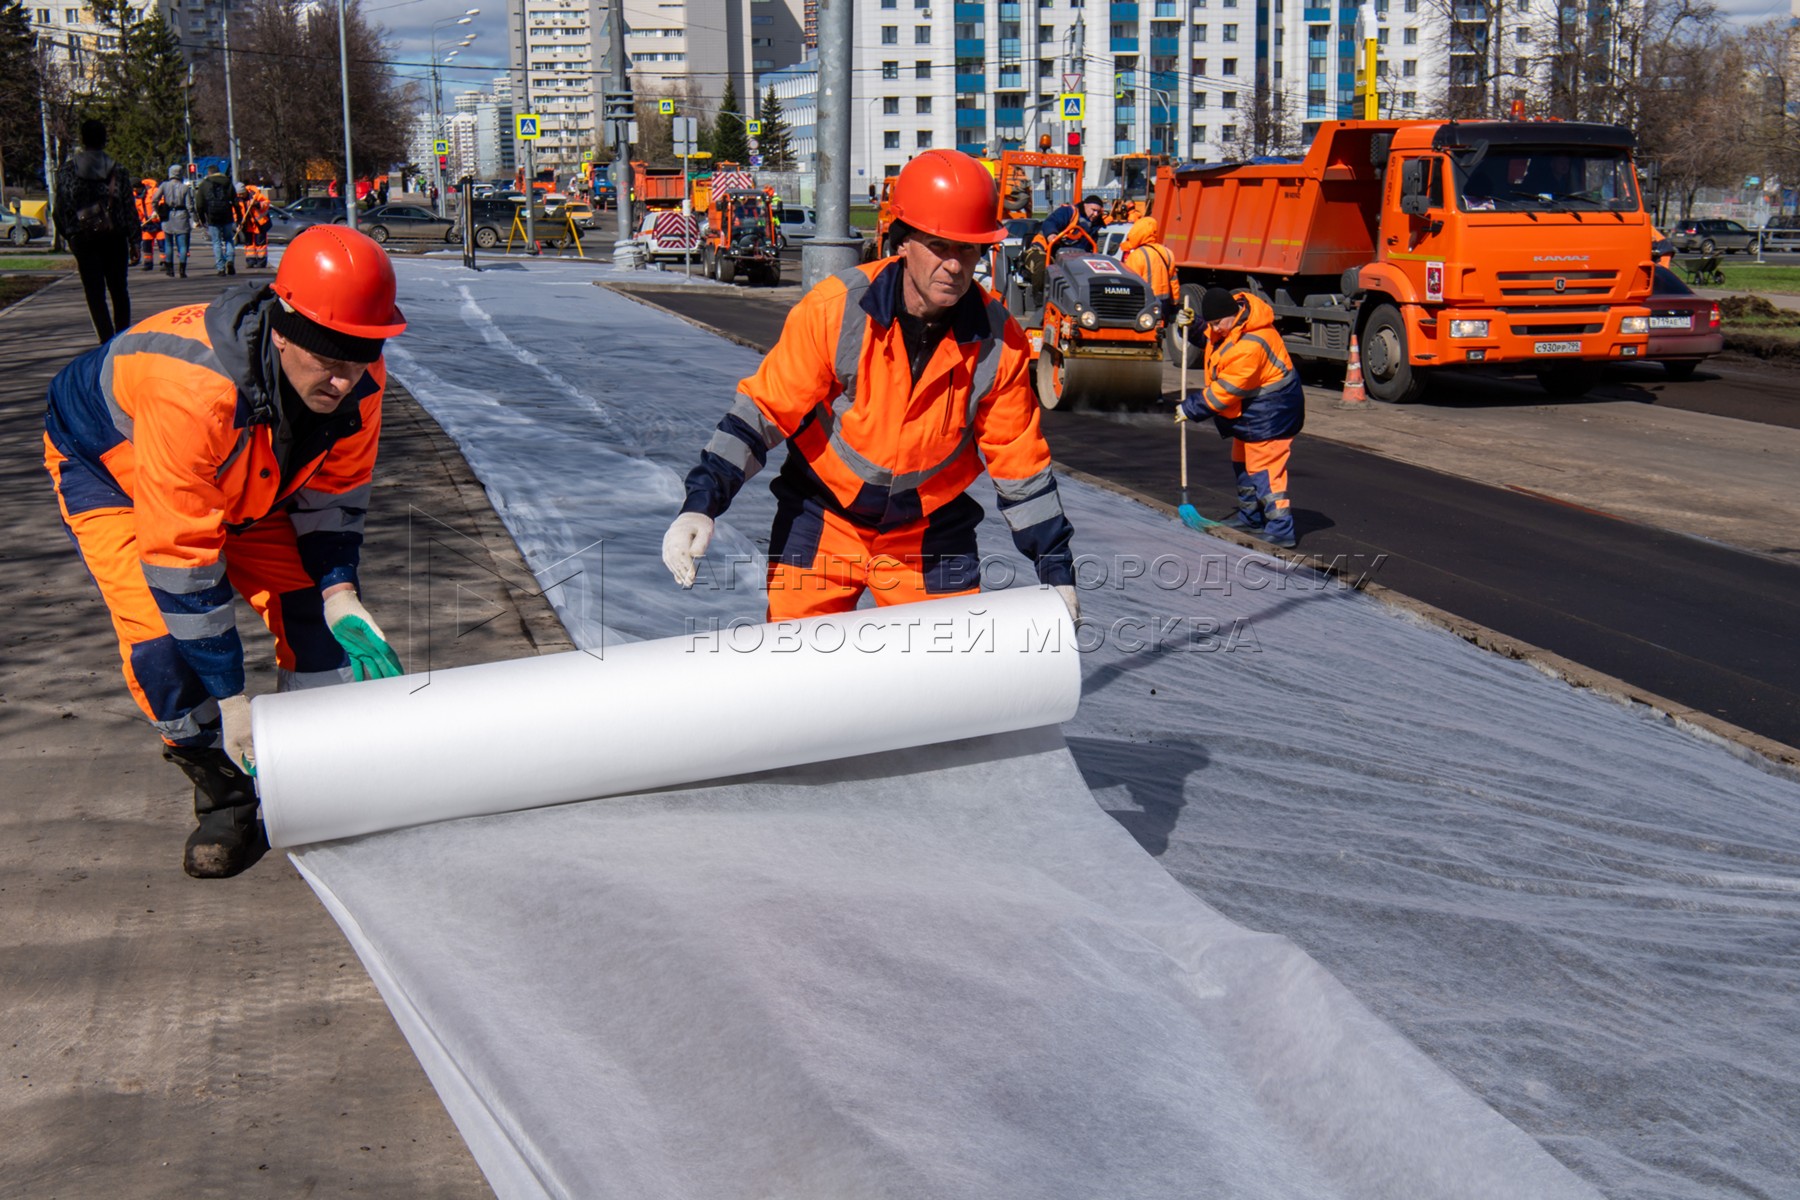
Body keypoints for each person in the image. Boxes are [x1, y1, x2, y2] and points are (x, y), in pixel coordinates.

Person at [42, 226, 409, 878]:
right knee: (162, 646)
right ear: (283, 326)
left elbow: (332, 500)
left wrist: (338, 589)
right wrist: (232, 700)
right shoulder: (193, 388)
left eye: (362, 354)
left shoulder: (360, 382)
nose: (344, 378)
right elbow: (183, 559)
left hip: (246, 470)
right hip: (118, 474)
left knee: (314, 625)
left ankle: (307, 774)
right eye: (330, 354)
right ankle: (226, 790)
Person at [662, 149, 1078, 622]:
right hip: (822, 518)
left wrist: (1056, 572)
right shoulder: (836, 311)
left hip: (929, 532)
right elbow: (763, 413)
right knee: (797, 670)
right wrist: (702, 504)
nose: (955, 265)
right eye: (939, 245)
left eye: (968, 249)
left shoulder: (999, 343)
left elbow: (1018, 464)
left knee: (943, 678)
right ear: (902, 242)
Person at [1177, 287, 1305, 549]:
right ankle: (1250, 517)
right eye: (1211, 323)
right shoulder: (1233, 324)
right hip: (1254, 411)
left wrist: (1190, 408)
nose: (1215, 328)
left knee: (1265, 471)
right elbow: (1216, 341)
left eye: (1216, 323)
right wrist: (1193, 325)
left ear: (1230, 316)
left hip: (1272, 413)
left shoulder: (1252, 343)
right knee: (1242, 462)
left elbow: (1227, 389)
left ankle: (1281, 529)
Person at [53, 119, 140, 343]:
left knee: (94, 293)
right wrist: (134, 241)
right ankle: (121, 337)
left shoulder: (68, 170)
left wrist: (70, 236)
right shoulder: (117, 170)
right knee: (119, 290)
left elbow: (60, 207)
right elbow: (129, 207)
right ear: (104, 139)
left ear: (83, 140)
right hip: (115, 236)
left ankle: (105, 339)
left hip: (84, 238)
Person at [1119, 216, 1179, 322]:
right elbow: (1173, 282)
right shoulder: (1168, 252)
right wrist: (1174, 305)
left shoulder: (1136, 256)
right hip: (1164, 304)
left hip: (1144, 304)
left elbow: (1130, 285)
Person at [195, 162, 237, 275]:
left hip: (212, 216)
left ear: (209, 173)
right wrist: (239, 216)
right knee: (229, 239)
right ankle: (230, 261)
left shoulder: (204, 184)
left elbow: (199, 204)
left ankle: (221, 268)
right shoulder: (227, 182)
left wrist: (202, 219)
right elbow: (235, 201)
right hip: (227, 215)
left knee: (216, 242)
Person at [154, 163, 194, 278]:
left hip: (168, 216)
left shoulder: (164, 186)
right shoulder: (185, 187)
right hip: (181, 215)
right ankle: (182, 270)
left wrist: (158, 210)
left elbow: (154, 199)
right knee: (182, 245)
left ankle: (170, 269)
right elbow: (189, 205)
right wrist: (194, 218)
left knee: (168, 244)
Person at [238, 184, 272, 269]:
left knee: (260, 244)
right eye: (239, 194)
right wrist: (238, 222)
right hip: (247, 224)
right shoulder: (238, 199)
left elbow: (266, 203)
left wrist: (257, 204)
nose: (241, 196)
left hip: (259, 223)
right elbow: (236, 212)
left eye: (242, 194)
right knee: (249, 244)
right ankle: (250, 261)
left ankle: (261, 262)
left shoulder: (255, 195)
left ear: (245, 192)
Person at [134, 179, 164, 273]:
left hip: (158, 222)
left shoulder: (154, 191)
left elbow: (162, 201)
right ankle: (148, 263)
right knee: (146, 245)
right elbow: (138, 210)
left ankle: (165, 263)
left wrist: (157, 211)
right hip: (146, 223)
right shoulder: (137, 196)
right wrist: (138, 220)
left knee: (162, 244)